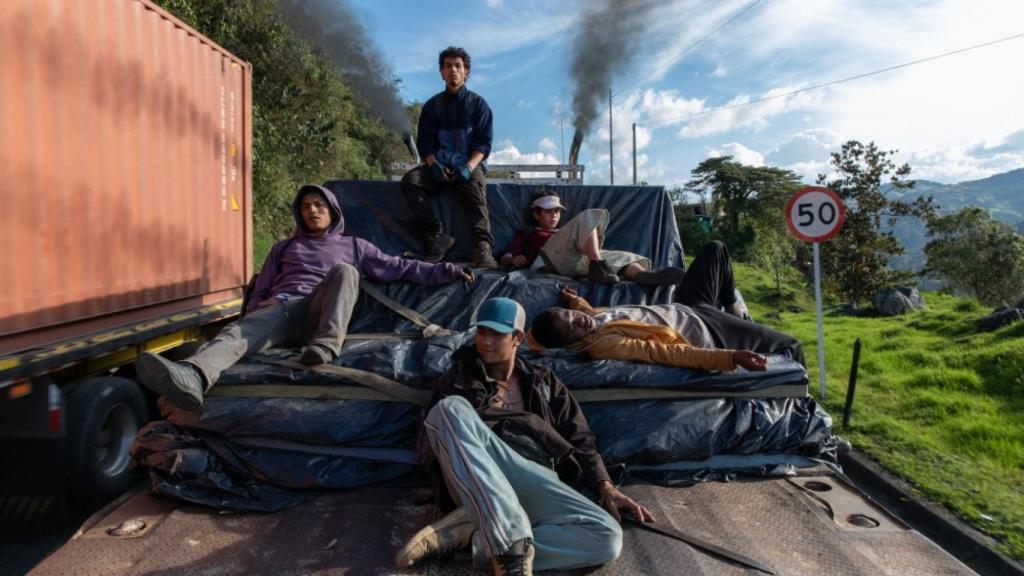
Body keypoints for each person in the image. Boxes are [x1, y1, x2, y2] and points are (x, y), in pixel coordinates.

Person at [135, 184, 474, 411]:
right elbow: (262, 288)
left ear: (332, 211)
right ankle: (193, 377)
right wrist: (254, 315)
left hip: (318, 312)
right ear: (299, 214)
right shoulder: (283, 248)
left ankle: (325, 347)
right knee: (235, 334)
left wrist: (447, 270)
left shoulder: (354, 246)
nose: (313, 211)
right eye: (307, 207)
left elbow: (401, 267)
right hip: (281, 311)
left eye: (319, 205)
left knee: (346, 272)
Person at [395, 298, 654, 575]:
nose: (485, 341)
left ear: (517, 337)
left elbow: (581, 438)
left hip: (534, 476)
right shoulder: (459, 379)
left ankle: (477, 540)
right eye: (482, 332)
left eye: (496, 334)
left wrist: (606, 488)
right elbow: (435, 440)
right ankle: (511, 551)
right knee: (447, 410)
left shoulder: (544, 381)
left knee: (607, 537)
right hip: (481, 480)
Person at [527, 241, 805, 370]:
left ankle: (735, 309)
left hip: (686, 305)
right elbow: (668, 354)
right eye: (574, 327)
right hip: (706, 328)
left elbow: (587, 313)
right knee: (791, 345)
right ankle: (808, 411)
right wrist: (729, 357)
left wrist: (573, 299)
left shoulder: (589, 319)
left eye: (571, 316)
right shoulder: (603, 345)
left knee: (715, 249)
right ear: (571, 343)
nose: (580, 321)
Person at [401, 46, 497, 269]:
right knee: (411, 182)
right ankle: (436, 236)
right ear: (441, 72)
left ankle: (483, 247)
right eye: (448, 66)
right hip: (440, 166)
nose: (453, 70)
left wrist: (469, 166)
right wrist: (433, 165)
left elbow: (484, 143)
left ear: (466, 72)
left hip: (469, 166)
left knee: (477, 193)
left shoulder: (478, 105)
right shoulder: (432, 107)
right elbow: (425, 143)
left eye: (458, 66)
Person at [500, 190, 685, 285]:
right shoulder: (529, 232)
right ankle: (598, 266)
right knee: (589, 218)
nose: (554, 215)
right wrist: (513, 259)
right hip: (547, 260)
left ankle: (644, 276)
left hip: (574, 261)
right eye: (548, 212)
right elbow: (506, 255)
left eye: (557, 211)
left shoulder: (564, 231)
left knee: (622, 257)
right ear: (536, 214)